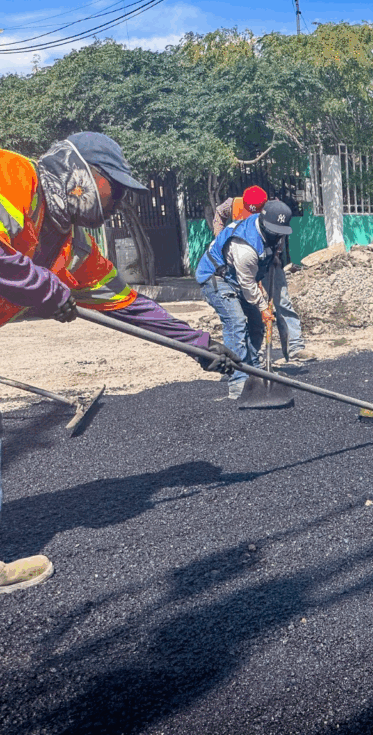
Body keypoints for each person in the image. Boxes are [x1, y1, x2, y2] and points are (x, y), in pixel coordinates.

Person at [0, 132, 234, 593]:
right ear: (81, 174)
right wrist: (46, 290)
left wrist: (199, 345)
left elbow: (130, 306)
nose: (119, 202)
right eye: (117, 188)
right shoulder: (13, 176)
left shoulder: (72, 251)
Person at [196, 200, 293, 398]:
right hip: (216, 276)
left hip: (238, 277)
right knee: (236, 322)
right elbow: (248, 284)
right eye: (274, 232)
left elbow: (272, 251)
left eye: (280, 233)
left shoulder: (276, 232)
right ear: (263, 224)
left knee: (256, 323)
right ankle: (238, 380)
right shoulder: (245, 246)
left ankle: (254, 370)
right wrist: (264, 307)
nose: (277, 236)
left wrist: (275, 256)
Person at [214, 186, 314, 364]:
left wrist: (276, 253)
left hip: (267, 260)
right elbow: (219, 214)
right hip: (242, 262)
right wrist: (219, 237)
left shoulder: (274, 210)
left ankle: (295, 345)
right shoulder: (232, 204)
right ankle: (254, 353)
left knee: (282, 301)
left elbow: (281, 232)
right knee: (249, 308)